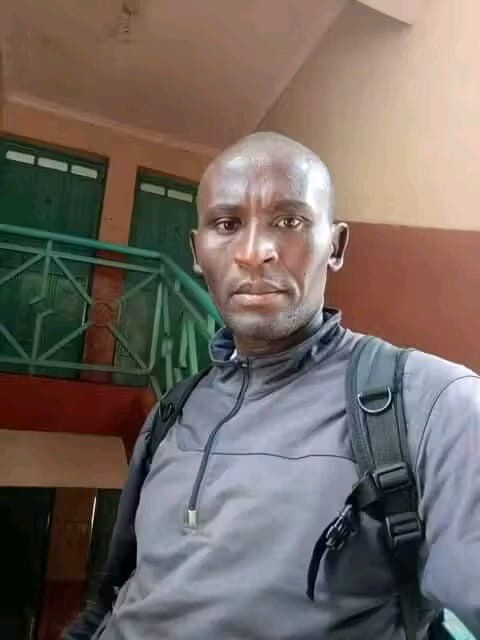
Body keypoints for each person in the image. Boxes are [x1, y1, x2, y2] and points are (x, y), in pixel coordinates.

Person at [65, 132, 480, 639]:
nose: (254, 252)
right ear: (197, 252)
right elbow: (112, 598)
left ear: (336, 246)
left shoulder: (432, 404)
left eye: (289, 221)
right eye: (227, 224)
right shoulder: (173, 410)